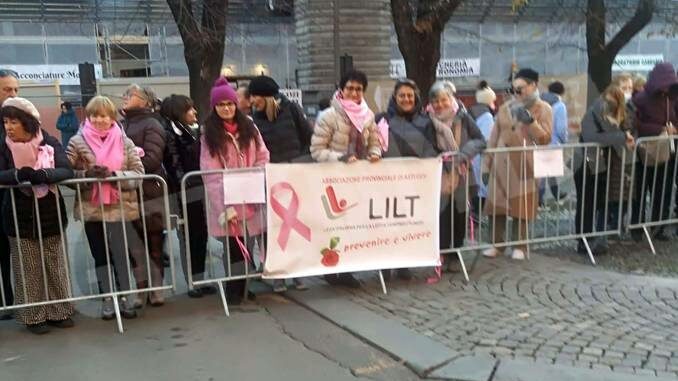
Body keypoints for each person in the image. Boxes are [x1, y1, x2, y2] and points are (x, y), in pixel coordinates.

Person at [0, 97, 74, 334]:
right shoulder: (3, 146)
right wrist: (17, 175)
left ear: (28, 122)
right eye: (6, 122)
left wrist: (43, 174)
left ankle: (60, 311)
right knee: (27, 267)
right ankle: (34, 316)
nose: (9, 127)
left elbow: (65, 169)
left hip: (50, 212)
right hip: (18, 214)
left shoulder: (49, 142)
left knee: (55, 263)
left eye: (14, 122)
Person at [66, 96, 144, 320]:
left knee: (122, 253)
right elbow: (67, 173)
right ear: (89, 117)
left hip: (121, 207)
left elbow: (139, 173)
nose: (100, 120)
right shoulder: (76, 142)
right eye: (95, 115)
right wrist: (87, 175)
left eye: (104, 115)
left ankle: (126, 296)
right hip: (93, 209)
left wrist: (114, 175)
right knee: (100, 255)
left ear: (112, 118)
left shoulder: (125, 141)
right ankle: (107, 298)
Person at [200, 77, 269, 305]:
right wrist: (224, 205)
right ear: (215, 107)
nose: (226, 108)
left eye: (229, 104)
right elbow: (210, 171)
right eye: (221, 105)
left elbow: (262, 155)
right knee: (233, 246)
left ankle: (245, 284)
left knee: (249, 243)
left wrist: (254, 178)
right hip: (227, 198)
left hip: (250, 195)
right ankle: (234, 287)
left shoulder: (250, 126)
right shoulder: (209, 133)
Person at [310, 69, 381, 288]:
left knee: (354, 227)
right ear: (341, 90)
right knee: (334, 228)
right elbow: (317, 150)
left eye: (359, 89)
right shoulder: (329, 116)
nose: (354, 92)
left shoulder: (368, 116)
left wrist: (375, 153)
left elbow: (374, 141)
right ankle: (332, 270)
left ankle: (347, 269)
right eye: (350, 88)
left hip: (358, 181)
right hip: (333, 181)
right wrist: (340, 158)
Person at [248, 75, 311, 292]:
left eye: (255, 95)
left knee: (293, 226)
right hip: (270, 179)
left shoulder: (291, 110)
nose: (252, 100)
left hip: (293, 176)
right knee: (273, 228)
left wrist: (299, 163)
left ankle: (296, 272)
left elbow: (307, 138)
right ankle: (278, 273)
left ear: (267, 96)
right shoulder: (254, 119)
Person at [483, 68, 552, 260]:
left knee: (522, 206)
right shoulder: (505, 108)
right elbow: (493, 137)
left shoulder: (543, 108)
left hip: (525, 163)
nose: (517, 93)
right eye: (514, 89)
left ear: (533, 86)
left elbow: (546, 138)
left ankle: (520, 245)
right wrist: (486, 165)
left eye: (520, 88)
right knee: (496, 206)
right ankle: (497, 244)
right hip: (501, 163)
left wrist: (531, 123)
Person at [376, 78, 438, 280]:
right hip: (386, 181)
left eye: (409, 95)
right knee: (386, 225)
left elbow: (430, 148)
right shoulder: (382, 119)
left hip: (413, 182)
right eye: (402, 95)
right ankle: (384, 265)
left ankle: (404, 263)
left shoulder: (425, 121)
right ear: (395, 97)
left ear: (415, 98)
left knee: (408, 224)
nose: (406, 99)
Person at [159, 94, 214, 298]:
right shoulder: (171, 134)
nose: (194, 112)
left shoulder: (189, 131)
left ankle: (199, 278)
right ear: (178, 112)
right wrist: (187, 183)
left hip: (196, 188)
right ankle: (193, 281)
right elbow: (174, 164)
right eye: (189, 109)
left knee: (200, 236)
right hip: (185, 192)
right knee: (190, 236)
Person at [428, 80, 486, 271]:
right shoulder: (428, 119)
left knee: (460, 214)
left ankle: (456, 254)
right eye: (435, 101)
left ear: (451, 99)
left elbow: (480, 140)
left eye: (443, 99)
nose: (440, 105)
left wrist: (464, 154)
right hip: (439, 175)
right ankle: (442, 253)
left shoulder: (463, 117)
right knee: (442, 215)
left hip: (461, 174)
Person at [120, 84, 168, 306]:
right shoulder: (120, 124)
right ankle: (141, 289)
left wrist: (123, 169)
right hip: (128, 193)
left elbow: (152, 158)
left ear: (146, 101)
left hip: (150, 192)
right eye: (126, 94)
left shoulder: (152, 124)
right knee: (135, 246)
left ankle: (157, 287)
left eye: (131, 95)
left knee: (154, 242)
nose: (125, 97)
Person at [574, 86, 634, 255]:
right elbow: (591, 137)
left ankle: (597, 238)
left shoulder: (618, 117)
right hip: (586, 164)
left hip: (604, 165)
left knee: (599, 203)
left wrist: (625, 137)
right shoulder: (592, 114)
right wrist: (621, 137)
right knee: (586, 203)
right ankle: (583, 240)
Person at [631, 62, 678, 241]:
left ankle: (659, 227)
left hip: (667, 153)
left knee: (663, 190)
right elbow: (635, 123)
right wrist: (659, 129)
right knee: (641, 191)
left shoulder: (673, 99)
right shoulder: (641, 99)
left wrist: (673, 130)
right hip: (644, 152)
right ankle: (637, 227)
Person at [0, 68, 19, 320]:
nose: (13, 94)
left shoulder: (24, 117)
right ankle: (5, 301)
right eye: (7, 89)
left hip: (16, 197)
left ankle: (16, 301)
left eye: (16, 89)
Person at [469, 80, 496, 218]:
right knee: (482, 187)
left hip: (472, 154)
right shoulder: (487, 116)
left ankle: (475, 214)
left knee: (476, 185)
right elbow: (487, 139)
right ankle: (478, 216)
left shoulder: (472, 111)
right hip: (481, 157)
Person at [540, 81, 569, 203]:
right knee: (547, 171)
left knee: (545, 171)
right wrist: (565, 140)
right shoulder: (560, 105)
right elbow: (561, 128)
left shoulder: (541, 103)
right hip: (553, 141)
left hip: (542, 140)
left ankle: (554, 193)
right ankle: (539, 197)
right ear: (561, 91)